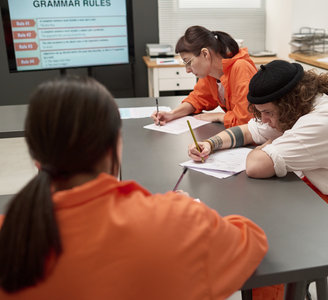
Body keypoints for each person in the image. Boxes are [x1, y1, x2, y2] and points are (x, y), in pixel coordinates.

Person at [0, 76, 268, 299]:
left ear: (35, 159)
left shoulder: (11, 234)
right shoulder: (175, 220)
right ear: (114, 146)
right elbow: (251, 241)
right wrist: (190, 210)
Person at [188, 60, 328, 249]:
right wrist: (210, 144)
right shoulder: (298, 107)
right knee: (271, 214)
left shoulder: (324, 119)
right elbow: (249, 130)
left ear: (287, 103)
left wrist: (267, 144)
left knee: (277, 237)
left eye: (267, 113)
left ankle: (287, 287)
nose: (264, 119)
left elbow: (256, 166)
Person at [151, 25, 257, 128]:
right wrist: (172, 114)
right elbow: (197, 99)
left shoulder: (241, 68)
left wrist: (219, 116)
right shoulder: (210, 74)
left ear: (205, 54)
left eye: (188, 62)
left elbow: (247, 122)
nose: (187, 70)